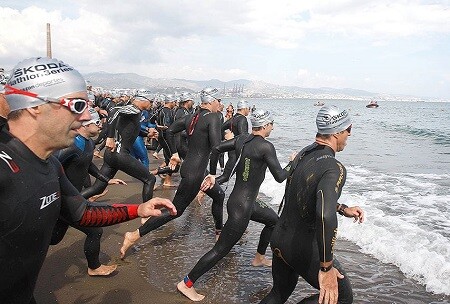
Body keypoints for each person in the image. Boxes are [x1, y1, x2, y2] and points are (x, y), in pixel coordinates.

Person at [0, 57, 176, 304]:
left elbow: (82, 213)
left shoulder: (49, 163)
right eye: (77, 105)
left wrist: (139, 209)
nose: (86, 118)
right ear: (35, 106)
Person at [177, 109, 294, 301]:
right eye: (271, 123)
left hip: (243, 201)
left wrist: (215, 176)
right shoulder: (266, 146)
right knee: (220, 249)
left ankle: (259, 257)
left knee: (274, 221)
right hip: (242, 206)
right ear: (264, 126)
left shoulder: (242, 140)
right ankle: (187, 283)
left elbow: (216, 148)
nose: (273, 126)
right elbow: (281, 176)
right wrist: (293, 162)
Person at [259, 105, 365, 304]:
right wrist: (326, 268)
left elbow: (308, 195)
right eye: (348, 129)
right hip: (300, 245)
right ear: (337, 132)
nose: (350, 134)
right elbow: (324, 215)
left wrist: (342, 208)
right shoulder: (334, 167)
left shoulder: (304, 153)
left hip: (280, 237)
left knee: (278, 294)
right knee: (341, 298)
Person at [119, 87, 225, 258]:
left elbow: (169, 130)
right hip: (196, 174)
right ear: (212, 101)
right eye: (218, 101)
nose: (220, 104)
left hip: (192, 169)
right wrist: (212, 173)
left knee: (219, 196)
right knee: (175, 211)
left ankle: (219, 233)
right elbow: (216, 147)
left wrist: (174, 153)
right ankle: (134, 235)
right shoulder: (213, 117)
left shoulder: (192, 117)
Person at [52, 107, 127, 276]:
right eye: (97, 123)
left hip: (71, 197)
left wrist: (106, 179)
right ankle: (94, 267)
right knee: (95, 230)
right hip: (63, 199)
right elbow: (51, 168)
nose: (101, 126)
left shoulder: (88, 143)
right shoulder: (70, 145)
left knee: (53, 238)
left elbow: (88, 164)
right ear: (85, 125)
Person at [80, 95, 158, 201]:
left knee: (97, 188)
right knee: (150, 179)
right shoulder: (133, 108)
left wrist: (147, 134)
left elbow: (132, 130)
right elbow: (114, 111)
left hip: (112, 154)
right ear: (140, 100)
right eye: (151, 101)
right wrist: (110, 137)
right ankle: (147, 214)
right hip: (120, 154)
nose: (152, 104)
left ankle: (70, 205)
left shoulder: (135, 112)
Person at [216, 99, 251, 184]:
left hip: (232, 149)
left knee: (235, 176)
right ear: (244, 108)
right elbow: (243, 137)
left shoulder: (233, 118)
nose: (249, 111)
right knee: (226, 177)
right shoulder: (242, 119)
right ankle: (203, 187)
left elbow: (220, 128)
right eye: (248, 108)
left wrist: (226, 137)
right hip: (238, 152)